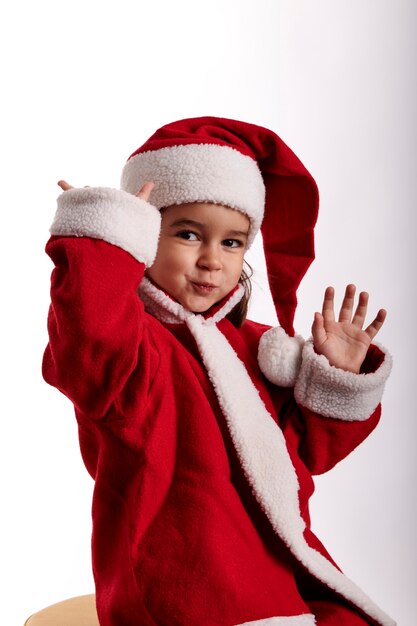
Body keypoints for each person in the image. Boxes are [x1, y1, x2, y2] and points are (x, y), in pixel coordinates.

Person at [43, 117, 395, 626]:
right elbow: (87, 342)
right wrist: (102, 244)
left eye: (232, 243)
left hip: (275, 567)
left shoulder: (254, 347)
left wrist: (334, 382)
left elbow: (302, 459)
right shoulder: (133, 346)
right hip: (180, 583)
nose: (212, 260)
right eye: (188, 234)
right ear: (143, 236)